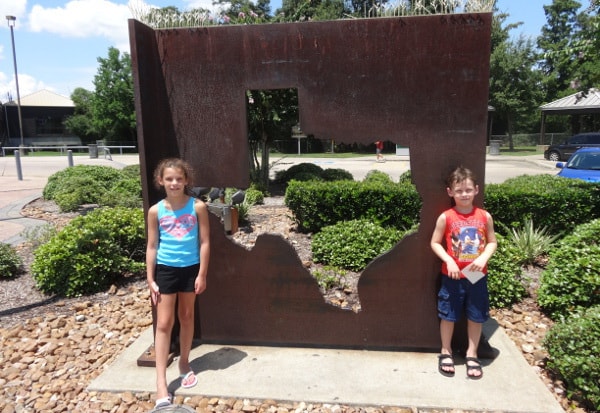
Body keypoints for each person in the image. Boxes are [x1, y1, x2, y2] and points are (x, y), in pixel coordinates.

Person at [146, 158, 211, 407]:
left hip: (191, 269)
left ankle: (184, 362)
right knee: (163, 323)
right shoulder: (156, 211)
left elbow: (204, 242)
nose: (174, 183)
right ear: (160, 181)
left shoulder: (198, 207)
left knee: (186, 316)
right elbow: (152, 246)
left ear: (186, 181)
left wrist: (202, 273)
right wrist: (150, 278)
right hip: (165, 271)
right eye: (169, 179)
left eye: (179, 179)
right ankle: (161, 382)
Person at [430, 166, 497, 379]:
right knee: (448, 314)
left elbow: (492, 242)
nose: (464, 194)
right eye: (459, 191)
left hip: (477, 274)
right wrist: (448, 260)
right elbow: (435, 242)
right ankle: (446, 351)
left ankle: (471, 353)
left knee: (476, 316)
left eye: (468, 189)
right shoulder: (446, 217)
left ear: (476, 190)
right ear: (450, 192)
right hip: (453, 275)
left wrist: (484, 257)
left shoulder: (484, 216)